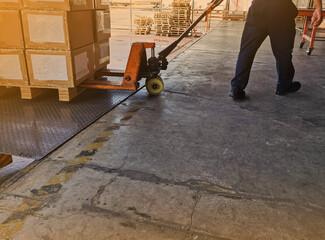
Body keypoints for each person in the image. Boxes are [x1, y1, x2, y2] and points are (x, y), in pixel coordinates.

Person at [229, 0, 323, 100]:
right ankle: (284, 85)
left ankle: (237, 87)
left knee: (247, 50)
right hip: (281, 11)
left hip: (257, 10)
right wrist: (318, 8)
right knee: (283, 52)